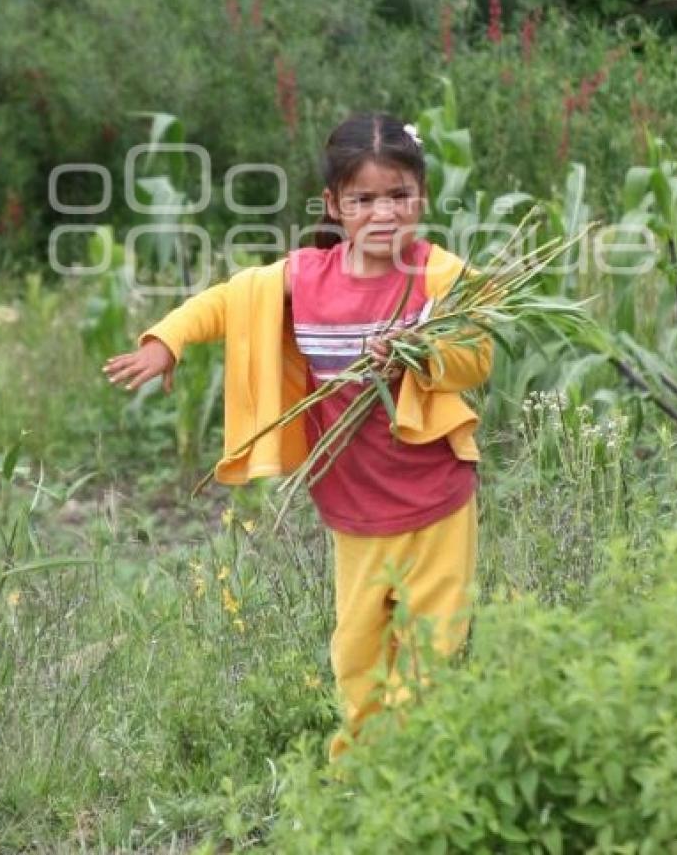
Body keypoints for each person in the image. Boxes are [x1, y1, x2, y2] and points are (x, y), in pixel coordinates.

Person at [103, 112, 492, 759]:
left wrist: (422, 352)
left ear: (421, 197)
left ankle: (396, 764)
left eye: (399, 195)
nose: (384, 213)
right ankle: (369, 756)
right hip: (355, 509)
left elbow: (477, 356)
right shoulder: (306, 277)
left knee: (433, 644)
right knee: (357, 647)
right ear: (335, 205)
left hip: (436, 497)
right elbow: (227, 301)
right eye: (364, 199)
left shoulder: (443, 278)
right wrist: (167, 339)